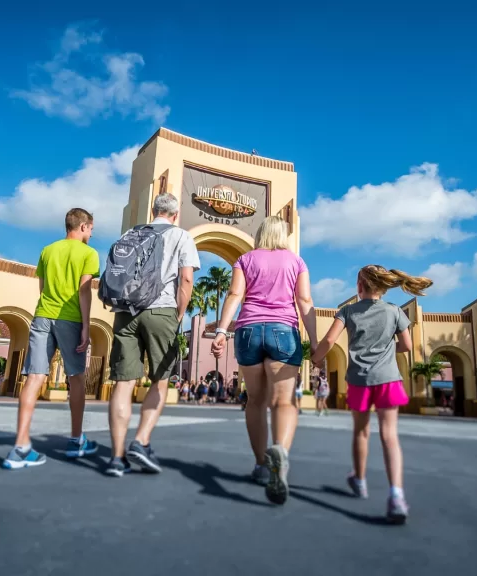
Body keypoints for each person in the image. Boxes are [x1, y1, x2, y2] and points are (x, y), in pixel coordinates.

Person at [311, 264, 432, 524]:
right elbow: (407, 346)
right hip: (388, 379)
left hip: (359, 380)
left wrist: (316, 358)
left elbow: (330, 341)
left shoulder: (347, 311)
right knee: (389, 436)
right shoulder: (395, 312)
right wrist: (387, 348)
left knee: (361, 433)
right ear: (384, 286)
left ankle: (360, 480)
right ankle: (396, 495)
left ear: (359, 286)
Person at [212, 215, 317, 505]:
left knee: (256, 401)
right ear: (283, 235)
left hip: (247, 332)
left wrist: (222, 330)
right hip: (283, 332)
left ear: (260, 234)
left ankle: (261, 464)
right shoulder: (296, 261)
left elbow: (235, 294)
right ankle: (279, 452)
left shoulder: (245, 259)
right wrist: (316, 341)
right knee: (284, 401)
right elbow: (305, 302)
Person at [105, 193, 200, 477]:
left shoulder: (131, 233)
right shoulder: (181, 236)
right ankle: (141, 440)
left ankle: (116, 457)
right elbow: (185, 279)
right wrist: (179, 314)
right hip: (162, 312)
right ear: (175, 214)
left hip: (125, 312)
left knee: (123, 383)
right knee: (160, 381)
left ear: (153, 210)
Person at [2, 208, 100, 469]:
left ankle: (20, 447)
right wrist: (86, 327)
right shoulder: (89, 253)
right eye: (90, 228)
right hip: (71, 319)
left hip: (42, 316)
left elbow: (43, 289)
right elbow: (84, 292)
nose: (91, 233)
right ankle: (76, 440)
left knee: (34, 378)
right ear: (82, 227)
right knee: (76, 378)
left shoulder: (47, 251)